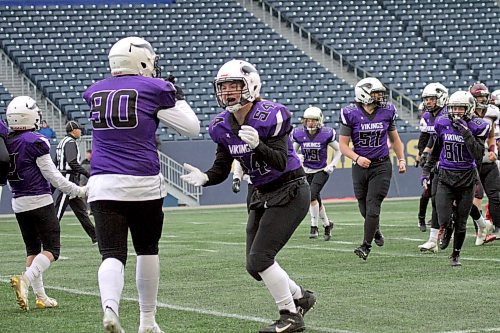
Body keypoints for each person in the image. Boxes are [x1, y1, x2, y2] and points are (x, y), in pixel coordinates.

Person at [181, 59, 315, 333]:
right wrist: (205, 178)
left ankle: (290, 315)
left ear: (251, 85)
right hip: (259, 191)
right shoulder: (221, 125)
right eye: (223, 87)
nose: (228, 92)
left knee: (261, 258)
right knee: (255, 267)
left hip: (289, 187)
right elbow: (221, 165)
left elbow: (279, 160)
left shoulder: (272, 115)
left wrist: (259, 145)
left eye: (234, 85)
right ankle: (302, 297)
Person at [82, 36, 200, 333]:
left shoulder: (94, 91)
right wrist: (178, 95)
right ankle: (147, 320)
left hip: (102, 182)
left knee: (112, 255)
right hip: (142, 182)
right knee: (147, 250)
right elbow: (191, 127)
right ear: (143, 61)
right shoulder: (155, 88)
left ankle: (110, 308)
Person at [4, 96, 86, 311]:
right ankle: (25, 280)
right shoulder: (34, 141)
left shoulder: (8, 139)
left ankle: (41, 297)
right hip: (38, 199)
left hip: (18, 202)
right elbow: (54, 177)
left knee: (33, 250)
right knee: (51, 250)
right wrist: (78, 190)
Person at [338, 77, 406, 260]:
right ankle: (375, 230)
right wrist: (357, 158)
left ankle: (366, 246)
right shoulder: (350, 113)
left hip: (381, 165)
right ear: (364, 94)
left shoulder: (387, 111)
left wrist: (401, 159)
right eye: (376, 93)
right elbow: (343, 145)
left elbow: (395, 139)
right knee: (363, 206)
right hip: (360, 165)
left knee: (373, 204)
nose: (380, 97)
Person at [421, 91, 489, 266]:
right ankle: (447, 228)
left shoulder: (477, 126)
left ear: (469, 109)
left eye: (460, 108)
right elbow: (436, 149)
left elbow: (478, 153)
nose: (456, 112)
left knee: (461, 221)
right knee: (443, 218)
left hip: (466, 178)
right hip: (445, 175)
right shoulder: (442, 123)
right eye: (453, 108)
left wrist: (465, 131)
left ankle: (456, 255)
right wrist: (426, 171)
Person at [292, 106, 341, 241]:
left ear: (319, 121)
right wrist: (298, 158)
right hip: (306, 170)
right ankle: (327, 224)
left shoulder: (326, 133)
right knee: (316, 198)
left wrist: (332, 165)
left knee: (311, 196)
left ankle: (314, 226)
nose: (310, 123)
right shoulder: (299, 133)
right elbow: (292, 152)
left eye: (313, 120)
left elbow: (339, 150)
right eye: (307, 120)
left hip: (321, 170)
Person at [54, 120, 96, 244]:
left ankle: (95, 236)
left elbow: (55, 160)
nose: (81, 131)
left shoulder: (62, 141)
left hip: (65, 176)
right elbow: (72, 162)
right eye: (79, 129)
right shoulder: (71, 142)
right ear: (73, 130)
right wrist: (87, 174)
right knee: (59, 209)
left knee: (81, 211)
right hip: (67, 177)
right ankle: (47, 237)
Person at [467, 83, 499, 244]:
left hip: (487, 158)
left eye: (483, 96)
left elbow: (491, 134)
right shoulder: (466, 113)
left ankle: (494, 228)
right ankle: (480, 231)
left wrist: (493, 149)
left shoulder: (492, 112)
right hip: (471, 160)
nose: (482, 99)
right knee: (476, 196)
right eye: (478, 96)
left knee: (495, 194)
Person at [415, 83, 448, 234]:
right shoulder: (427, 116)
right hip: (433, 158)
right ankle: (422, 218)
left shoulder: (447, 115)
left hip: (448, 159)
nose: (428, 101)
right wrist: (422, 153)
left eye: (431, 98)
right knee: (429, 192)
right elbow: (426, 137)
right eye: (426, 99)